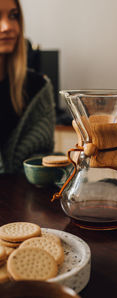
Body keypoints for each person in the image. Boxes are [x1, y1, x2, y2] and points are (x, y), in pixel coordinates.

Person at [0, 0, 56, 173]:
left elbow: (42, 160)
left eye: (13, 16)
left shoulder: (38, 88)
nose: (7, 26)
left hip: (22, 197)